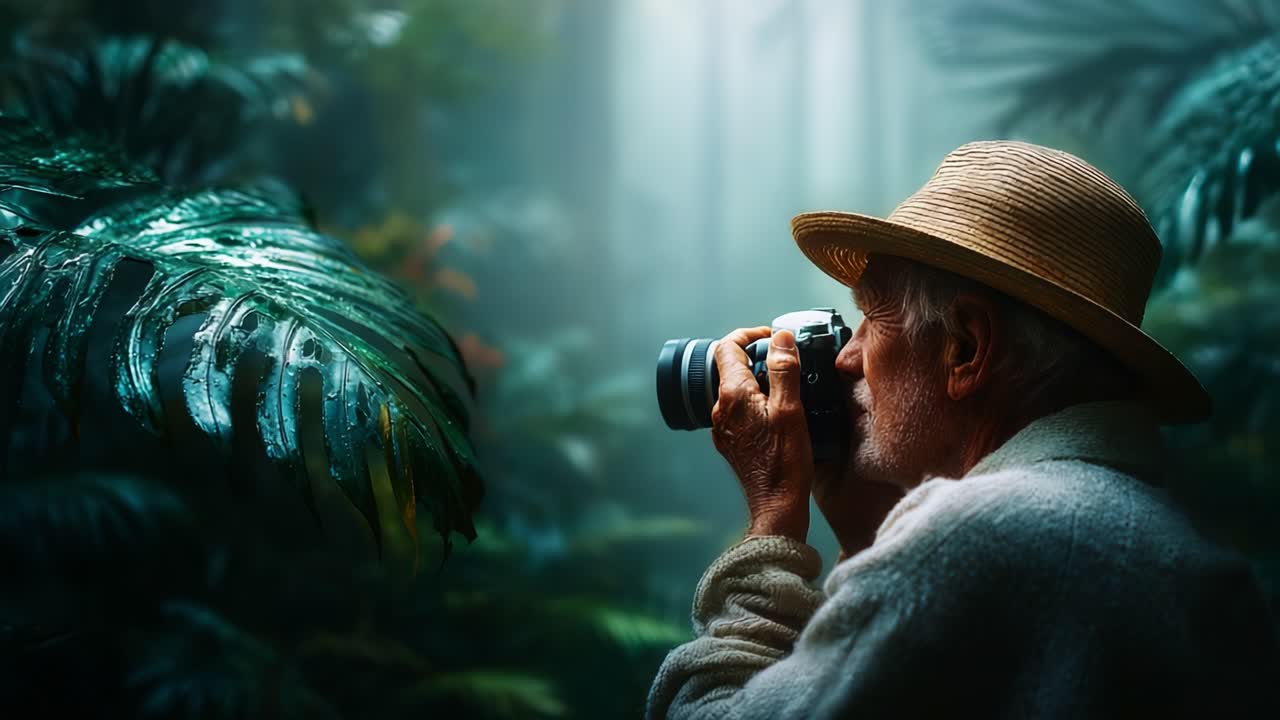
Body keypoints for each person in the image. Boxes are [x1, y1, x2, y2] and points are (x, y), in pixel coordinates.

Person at [646, 141, 1280, 719]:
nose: (845, 357)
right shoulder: (1183, 549)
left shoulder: (975, 535)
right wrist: (868, 540)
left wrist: (771, 523)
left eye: (871, 316)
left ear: (966, 348)